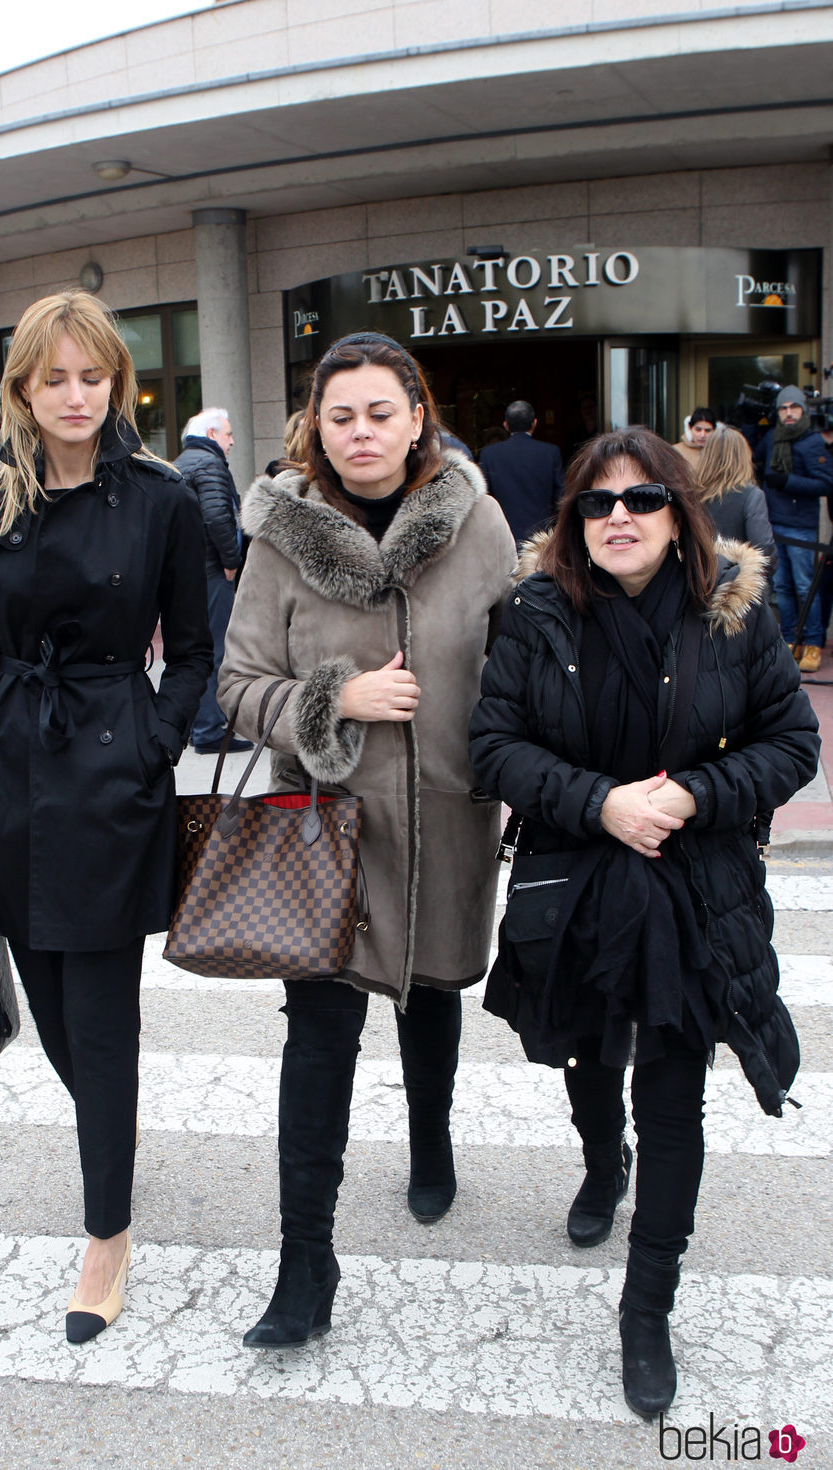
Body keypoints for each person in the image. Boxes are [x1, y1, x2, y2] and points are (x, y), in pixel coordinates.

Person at [469, 427, 818, 1419]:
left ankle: (645, 1306)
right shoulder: (535, 613)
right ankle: (597, 1161)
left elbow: (790, 741)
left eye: (640, 499)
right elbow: (492, 745)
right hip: (575, 885)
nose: (617, 517)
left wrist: (695, 796)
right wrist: (599, 803)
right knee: (587, 1059)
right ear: (573, 519)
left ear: (679, 511)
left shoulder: (730, 616)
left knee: (673, 1095)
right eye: (595, 502)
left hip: (692, 894)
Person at [217, 331, 517, 1349]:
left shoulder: (473, 521)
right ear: (315, 424)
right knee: (317, 1042)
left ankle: (429, 1139)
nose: (359, 433)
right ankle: (306, 1261)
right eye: (339, 415)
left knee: (430, 993)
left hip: (445, 814)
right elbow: (235, 684)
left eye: (379, 412)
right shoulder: (280, 532)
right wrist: (335, 697)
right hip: (326, 831)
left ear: (416, 416)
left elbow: (518, 662)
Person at [0, 291, 213, 1344]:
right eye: (52, 377)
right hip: (8, 774)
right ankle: (115, 1135)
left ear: (118, 385)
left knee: (100, 1024)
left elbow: (192, 650)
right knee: (54, 1018)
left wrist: (154, 741)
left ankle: (107, 1231)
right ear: (21, 387)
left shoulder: (159, 499)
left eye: (90, 376)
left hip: (110, 774)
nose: (72, 395)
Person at [175, 407, 252, 754]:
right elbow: (219, 518)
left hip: (189, 574)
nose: (232, 441)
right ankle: (208, 730)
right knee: (215, 652)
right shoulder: (209, 464)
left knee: (194, 651)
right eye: (228, 434)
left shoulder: (182, 462)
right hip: (211, 571)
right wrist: (232, 563)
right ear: (211, 435)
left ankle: (196, 726)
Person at [753, 384, 833, 673]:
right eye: (783, 408)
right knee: (783, 588)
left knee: (804, 586)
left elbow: (827, 483)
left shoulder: (812, 442)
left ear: (803, 410)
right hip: (774, 523)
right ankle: (789, 639)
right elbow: (753, 455)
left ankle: (811, 642)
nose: (788, 413)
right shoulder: (773, 436)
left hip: (801, 527)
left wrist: (787, 482)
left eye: (794, 407)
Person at [479, 399, 564, 546]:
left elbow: (482, 499)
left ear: (506, 425)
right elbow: (561, 498)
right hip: (541, 538)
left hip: (502, 537)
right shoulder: (550, 453)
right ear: (534, 423)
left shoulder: (489, 454)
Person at [694, 425, 775, 567]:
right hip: (735, 582)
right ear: (744, 456)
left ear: (707, 455)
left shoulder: (691, 493)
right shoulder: (751, 496)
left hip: (699, 579)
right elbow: (763, 550)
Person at [672, 406, 716, 472]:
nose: (702, 435)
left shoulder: (721, 452)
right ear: (690, 428)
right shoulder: (675, 451)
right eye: (698, 430)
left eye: (707, 430)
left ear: (714, 430)